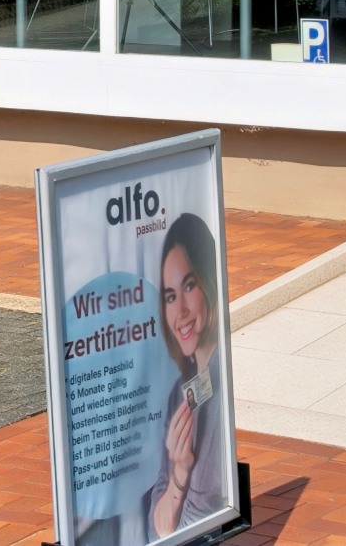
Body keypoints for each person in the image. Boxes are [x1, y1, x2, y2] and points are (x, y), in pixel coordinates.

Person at [147, 214, 227, 539]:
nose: (179, 311)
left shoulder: (223, 385)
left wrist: (175, 498)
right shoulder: (178, 394)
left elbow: (194, 525)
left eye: (189, 286)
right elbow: (155, 532)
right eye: (169, 296)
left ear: (208, 281)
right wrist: (180, 471)